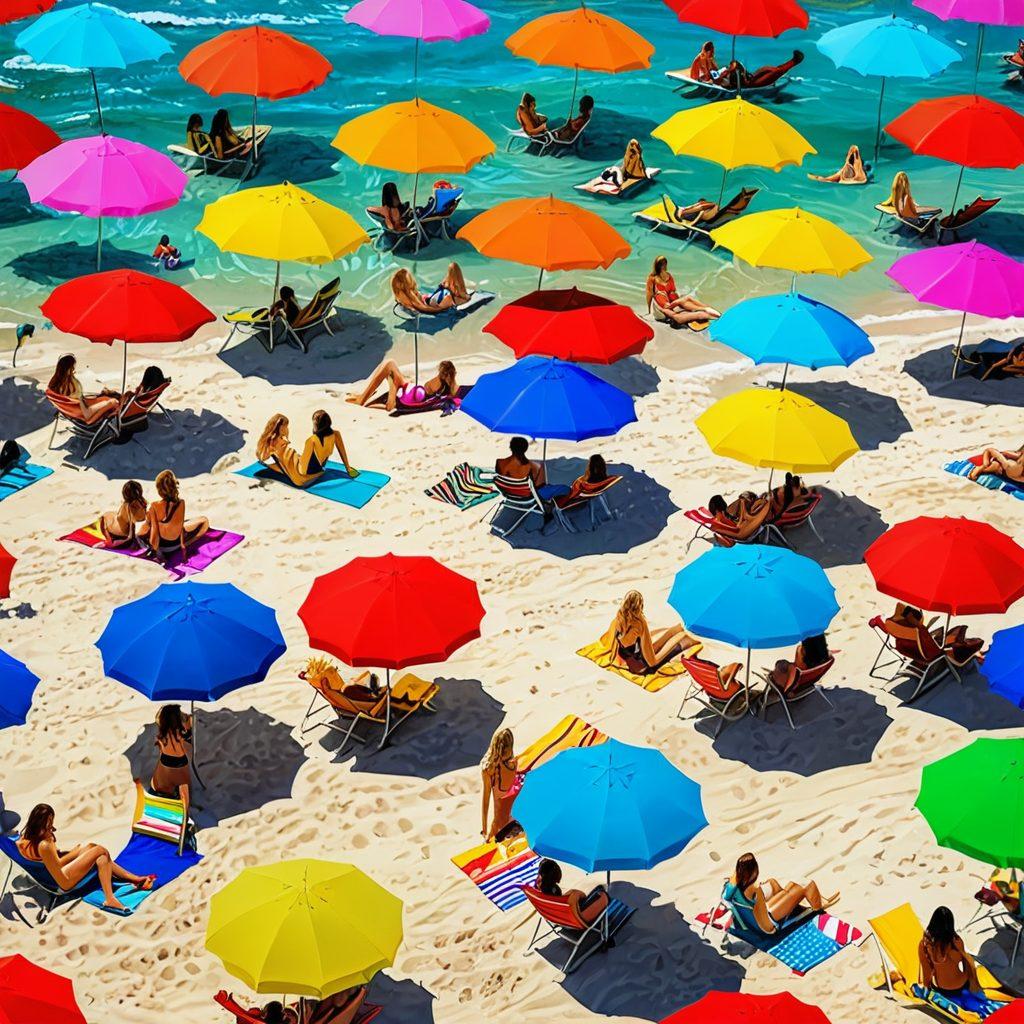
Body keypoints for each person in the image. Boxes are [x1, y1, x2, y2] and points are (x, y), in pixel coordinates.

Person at [16, 803, 155, 915]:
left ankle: (134, 879)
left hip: (51, 876)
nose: (50, 826)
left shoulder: (25, 840)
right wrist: (75, 853)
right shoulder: (44, 844)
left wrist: (74, 853)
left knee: (91, 847)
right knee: (101, 852)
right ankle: (110, 898)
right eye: (49, 822)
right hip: (62, 882)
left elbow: (46, 862)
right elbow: (57, 866)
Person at [726, 852, 837, 935]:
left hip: (760, 920)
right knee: (808, 884)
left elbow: (727, 897)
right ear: (754, 870)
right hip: (768, 925)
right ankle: (818, 909)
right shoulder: (752, 888)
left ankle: (793, 905)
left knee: (773, 883)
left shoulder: (733, 886)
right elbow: (758, 901)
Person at [918, 907, 994, 1016]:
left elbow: (927, 970)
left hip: (943, 988)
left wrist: (927, 989)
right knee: (981, 1009)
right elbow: (966, 963)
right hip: (962, 983)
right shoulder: (956, 941)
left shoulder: (925, 945)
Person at [603, 590, 696, 675]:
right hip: (644, 668)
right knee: (678, 639)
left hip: (632, 660)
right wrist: (678, 637)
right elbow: (652, 662)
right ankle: (686, 631)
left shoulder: (617, 620)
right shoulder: (640, 623)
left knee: (663, 640)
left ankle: (682, 629)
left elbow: (612, 646)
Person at [346, 358, 458, 413]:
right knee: (389, 363)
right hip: (406, 387)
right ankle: (365, 396)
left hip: (405, 396)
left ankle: (363, 399)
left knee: (389, 366)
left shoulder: (440, 384)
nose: (439, 371)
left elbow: (453, 393)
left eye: (441, 371)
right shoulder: (445, 384)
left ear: (446, 374)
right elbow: (454, 391)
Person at [144, 469, 209, 562]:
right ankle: (188, 543)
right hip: (176, 544)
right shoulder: (181, 502)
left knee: (151, 526)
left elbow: (154, 535)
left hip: (163, 547)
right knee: (204, 520)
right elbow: (180, 527)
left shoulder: (154, 506)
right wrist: (183, 547)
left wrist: (156, 554)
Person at [645, 256, 720, 327]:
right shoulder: (652, 278)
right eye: (662, 264)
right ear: (658, 265)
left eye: (664, 264)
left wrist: (678, 302)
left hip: (669, 302)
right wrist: (649, 311)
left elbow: (673, 291)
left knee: (687, 299)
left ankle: (705, 309)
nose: (664, 266)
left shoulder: (669, 276)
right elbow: (649, 294)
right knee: (681, 303)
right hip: (661, 307)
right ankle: (703, 312)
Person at [47, 354, 121, 424]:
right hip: (84, 414)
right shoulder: (70, 383)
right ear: (69, 367)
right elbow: (82, 406)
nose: (74, 369)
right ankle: (113, 421)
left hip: (75, 411)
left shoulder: (56, 383)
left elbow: (75, 400)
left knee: (104, 398)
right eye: (73, 367)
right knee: (114, 401)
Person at [534, 858, 609, 924]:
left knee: (576, 893)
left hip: (560, 918)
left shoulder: (541, 895)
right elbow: (578, 899)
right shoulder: (556, 891)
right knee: (601, 891)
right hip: (578, 918)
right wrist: (576, 895)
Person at [480, 728, 520, 842]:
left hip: (501, 828)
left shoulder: (489, 770)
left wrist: (484, 830)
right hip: (519, 825)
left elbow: (485, 801)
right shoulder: (517, 764)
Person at [150, 704, 192, 810]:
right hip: (180, 762)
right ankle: (183, 813)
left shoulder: (161, 734)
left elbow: (157, 718)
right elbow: (189, 730)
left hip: (164, 764)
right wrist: (188, 718)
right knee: (184, 789)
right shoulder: (183, 732)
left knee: (159, 783)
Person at [390, 267, 465, 314]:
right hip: (435, 302)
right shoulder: (410, 300)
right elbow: (425, 308)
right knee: (448, 297)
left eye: (414, 288)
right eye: (413, 288)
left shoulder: (406, 299)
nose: (416, 292)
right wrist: (439, 308)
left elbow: (424, 307)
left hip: (432, 300)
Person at [718, 50, 804, 90]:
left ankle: (792, 62)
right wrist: (728, 72)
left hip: (749, 78)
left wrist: (731, 68)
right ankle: (794, 62)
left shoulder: (726, 72)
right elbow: (725, 84)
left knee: (767, 68)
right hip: (749, 84)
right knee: (775, 72)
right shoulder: (724, 78)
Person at [707, 492, 772, 546]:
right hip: (743, 535)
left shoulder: (724, 518)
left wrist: (743, 506)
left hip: (745, 535)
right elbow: (738, 532)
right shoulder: (721, 520)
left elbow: (739, 530)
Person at [100, 480, 148, 549]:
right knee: (112, 514)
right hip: (128, 528)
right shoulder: (143, 501)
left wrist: (129, 541)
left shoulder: (128, 505)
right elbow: (140, 518)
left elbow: (131, 532)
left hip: (120, 534)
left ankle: (108, 538)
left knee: (103, 517)